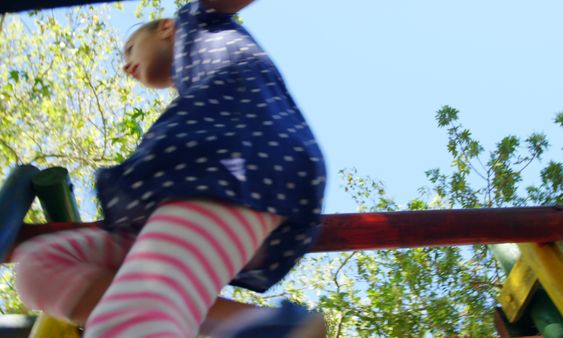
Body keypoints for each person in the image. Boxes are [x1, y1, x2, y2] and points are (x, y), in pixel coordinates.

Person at [12, 0, 327, 337]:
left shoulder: (198, 20)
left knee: (124, 320)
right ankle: (247, 324)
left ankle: (147, 317)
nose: (125, 65)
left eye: (130, 49)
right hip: (200, 185)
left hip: (236, 163)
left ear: (165, 28)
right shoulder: (198, 93)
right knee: (40, 267)